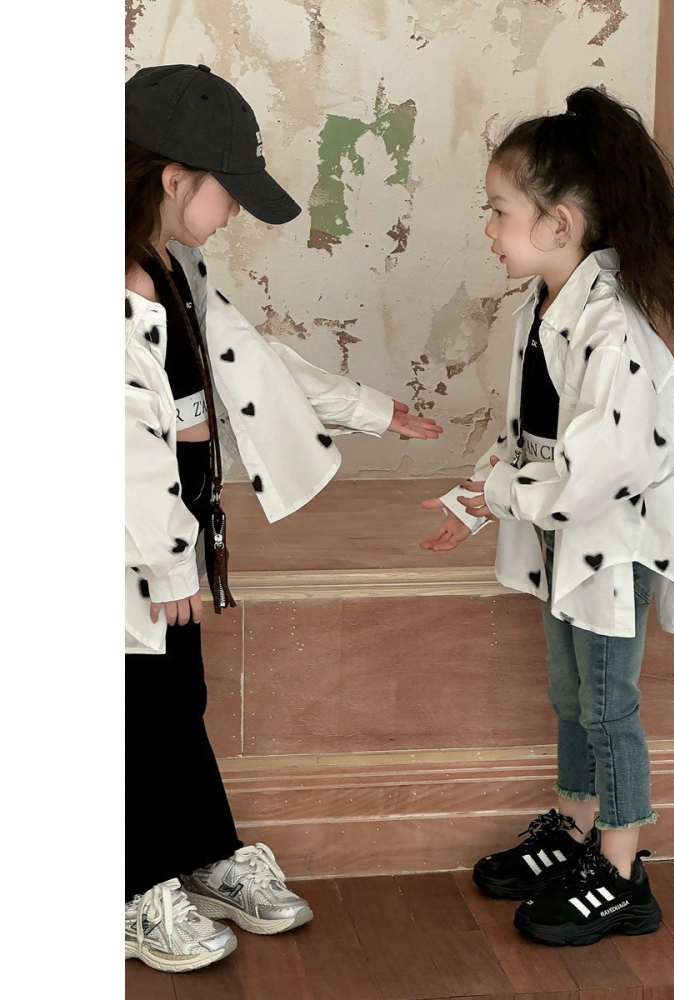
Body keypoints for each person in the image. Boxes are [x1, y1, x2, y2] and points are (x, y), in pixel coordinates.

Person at [125, 63, 442, 973]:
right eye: (226, 192)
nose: (232, 213)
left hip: (177, 525)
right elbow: (118, 452)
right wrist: (165, 563)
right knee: (134, 707)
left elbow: (252, 360)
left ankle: (201, 851)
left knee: (177, 694)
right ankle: (129, 888)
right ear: (173, 179)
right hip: (130, 543)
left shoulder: (173, 267)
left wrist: (371, 409)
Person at [419, 86, 674, 947]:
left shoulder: (612, 331)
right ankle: (574, 826)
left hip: (611, 543)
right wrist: (472, 502)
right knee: (571, 695)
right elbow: (528, 437)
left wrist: (498, 497)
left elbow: (598, 470)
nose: (489, 227)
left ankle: (622, 875)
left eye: (499, 210)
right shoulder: (545, 308)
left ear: (557, 224)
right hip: (570, 538)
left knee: (607, 704)